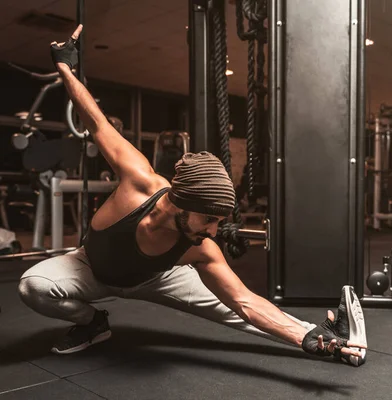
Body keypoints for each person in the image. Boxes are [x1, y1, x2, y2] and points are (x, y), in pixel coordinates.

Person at [17, 25, 367, 367]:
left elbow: (244, 302)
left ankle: (324, 336)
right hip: (91, 268)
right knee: (34, 285)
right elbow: (97, 123)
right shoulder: (138, 183)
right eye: (210, 219)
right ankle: (92, 323)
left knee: (232, 310)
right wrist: (65, 67)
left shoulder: (199, 248)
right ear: (182, 201)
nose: (213, 232)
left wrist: (305, 340)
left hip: (161, 278)